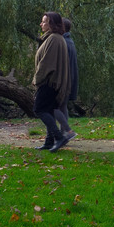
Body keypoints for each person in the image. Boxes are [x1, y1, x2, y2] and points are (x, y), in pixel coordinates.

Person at [33, 11, 73, 152]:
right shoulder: (54, 38)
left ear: (51, 24)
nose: (41, 24)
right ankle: (49, 142)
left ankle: (59, 137)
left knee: (39, 109)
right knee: (49, 111)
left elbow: (47, 64)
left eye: (44, 21)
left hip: (50, 83)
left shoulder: (54, 39)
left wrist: (37, 79)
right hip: (52, 82)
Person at [55, 17, 78, 144]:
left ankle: (67, 132)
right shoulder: (69, 42)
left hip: (63, 82)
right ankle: (63, 134)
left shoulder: (64, 43)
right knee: (62, 107)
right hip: (68, 81)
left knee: (52, 107)